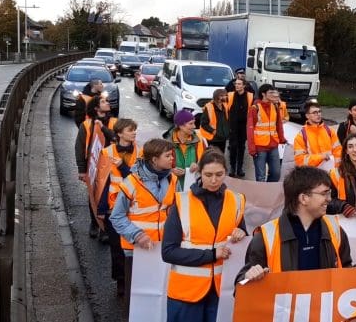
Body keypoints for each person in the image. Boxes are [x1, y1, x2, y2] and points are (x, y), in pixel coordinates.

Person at [162, 149, 247, 322]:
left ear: (226, 173)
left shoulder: (237, 200)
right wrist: (212, 255)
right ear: (199, 173)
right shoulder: (181, 201)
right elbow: (168, 252)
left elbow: (241, 236)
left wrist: (242, 233)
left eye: (219, 174)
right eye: (208, 175)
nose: (214, 180)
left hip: (221, 290)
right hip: (186, 294)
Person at [236, 166, 353, 282]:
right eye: (324, 193)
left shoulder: (335, 229)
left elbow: (346, 270)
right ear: (303, 198)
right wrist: (248, 277)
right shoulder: (266, 237)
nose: (329, 199)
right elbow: (240, 288)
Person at [110, 138, 179, 309]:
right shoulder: (132, 182)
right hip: (136, 251)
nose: (172, 159)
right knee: (136, 299)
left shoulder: (173, 180)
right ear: (154, 160)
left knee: (160, 297)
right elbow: (116, 217)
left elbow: (175, 212)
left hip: (163, 249)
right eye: (168, 155)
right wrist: (137, 235)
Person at [98, 118, 140, 297]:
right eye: (130, 130)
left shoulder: (141, 152)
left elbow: (138, 178)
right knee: (116, 247)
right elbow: (102, 182)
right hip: (113, 208)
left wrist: (122, 167)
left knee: (133, 247)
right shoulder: (107, 152)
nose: (134, 133)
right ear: (120, 133)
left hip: (135, 207)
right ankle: (121, 281)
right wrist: (101, 209)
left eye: (135, 130)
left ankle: (133, 280)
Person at [75, 94, 117, 239]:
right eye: (104, 101)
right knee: (93, 195)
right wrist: (81, 169)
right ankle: (94, 223)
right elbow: (80, 148)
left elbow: (116, 139)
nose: (108, 103)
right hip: (93, 166)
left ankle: (104, 228)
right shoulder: (86, 125)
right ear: (96, 107)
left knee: (106, 196)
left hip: (110, 167)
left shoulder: (114, 123)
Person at [247, 84, 287, 182]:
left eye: (274, 92)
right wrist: (252, 148)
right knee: (260, 177)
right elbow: (250, 129)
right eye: (271, 92)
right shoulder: (255, 108)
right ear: (263, 94)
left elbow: (279, 125)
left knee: (276, 173)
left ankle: (269, 191)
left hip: (273, 145)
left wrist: (282, 139)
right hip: (260, 147)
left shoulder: (275, 106)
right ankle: (262, 196)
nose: (274, 95)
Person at [165, 109, 209, 189]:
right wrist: (170, 171)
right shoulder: (166, 143)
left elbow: (209, 160)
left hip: (196, 187)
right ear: (181, 126)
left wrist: (199, 165)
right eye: (191, 124)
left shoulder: (201, 140)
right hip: (173, 187)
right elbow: (158, 165)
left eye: (194, 123)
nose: (194, 126)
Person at [294, 101, 342, 168]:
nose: (318, 114)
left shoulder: (330, 131)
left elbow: (338, 151)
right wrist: (320, 157)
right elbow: (300, 160)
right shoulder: (301, 136)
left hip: (331, 172)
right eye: (314, 113)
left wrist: (337, 168)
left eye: (319, 111)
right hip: (313, 174)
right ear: (307, 116)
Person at [226, 77, 253, 178]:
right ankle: (232, 168)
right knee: (233, 147)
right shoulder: (230, 95)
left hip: (244, 126)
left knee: (241, 147)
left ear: (244, 86)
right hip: (233, 125)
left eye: (239, 84)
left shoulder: (250, 96)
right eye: (236, 84)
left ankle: (239, 168)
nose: (237, 86)